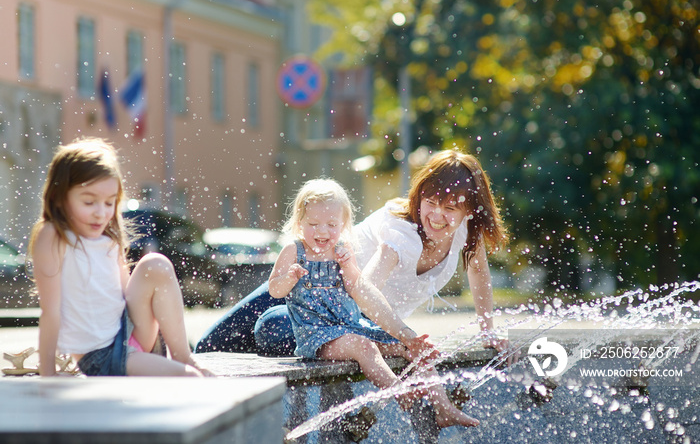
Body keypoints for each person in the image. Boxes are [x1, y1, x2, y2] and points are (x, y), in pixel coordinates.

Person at [196, 149, 508, 356]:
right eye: (431, 203)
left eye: (451, 208)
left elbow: (478, 272)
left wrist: (488, 331)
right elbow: (361, 289)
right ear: (419, 195)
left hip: (340, 321)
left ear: (469, 210)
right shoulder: (400, 231)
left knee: (272, 328)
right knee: (210, 347)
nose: (438, 216)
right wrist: (404, 335)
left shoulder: (468, 232)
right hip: (306, 279)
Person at [269, 178, 479, 427]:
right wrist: (290, 276)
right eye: (313, 224)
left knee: (413, 347)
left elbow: (358, 288)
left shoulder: (342, 250)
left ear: (344, 225)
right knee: (363, 346)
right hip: (317, 335)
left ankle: (443, 408)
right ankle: (398, 391)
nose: (323, 232)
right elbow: (275, 290)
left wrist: (348, 266)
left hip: (350, 326)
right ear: (299, 223)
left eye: (332, 225)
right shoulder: (294, 251)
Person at [29, 137, 213, 377]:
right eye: (88, 201)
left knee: (155, 264)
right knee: (189, 378)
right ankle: (180, 368)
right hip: (101, 356)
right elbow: (50, 311)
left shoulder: (108, 240)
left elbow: (127, 296)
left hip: (128, 334)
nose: (101, 212)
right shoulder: (54, 235)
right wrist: (48, 375)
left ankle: (183, 355)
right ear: (59, 196)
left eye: (109, 203)